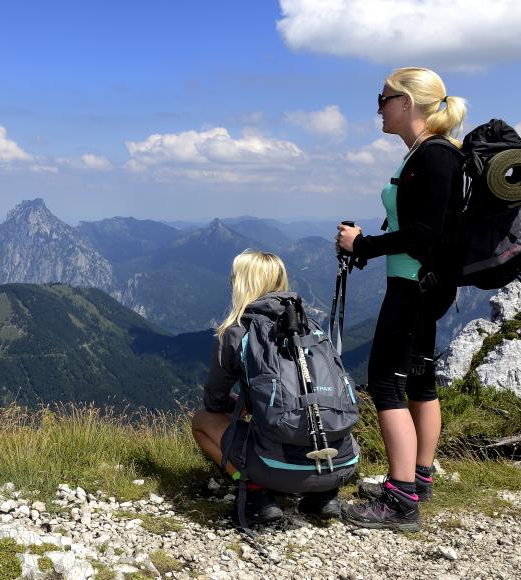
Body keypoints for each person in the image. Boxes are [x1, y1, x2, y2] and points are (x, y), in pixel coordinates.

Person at [336, 67, 467, 531]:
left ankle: (400, 500)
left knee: (387, 383)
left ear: (407, 102)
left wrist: (362, 244)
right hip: (426, 287)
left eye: (384, 98)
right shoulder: (435, 153)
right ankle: (419, 477)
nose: (379, 108)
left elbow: (425, 233)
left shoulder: (432, 157)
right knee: (419, 379)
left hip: (412, 287)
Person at [191, 250, 349, 524]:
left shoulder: (237, 331)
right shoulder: (310, 328)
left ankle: (255, 492)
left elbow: (214, 402)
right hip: (341, 461)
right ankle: (324, 495)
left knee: (202, 420)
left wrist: (238, 406)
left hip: (278, 467)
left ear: (243, 283)